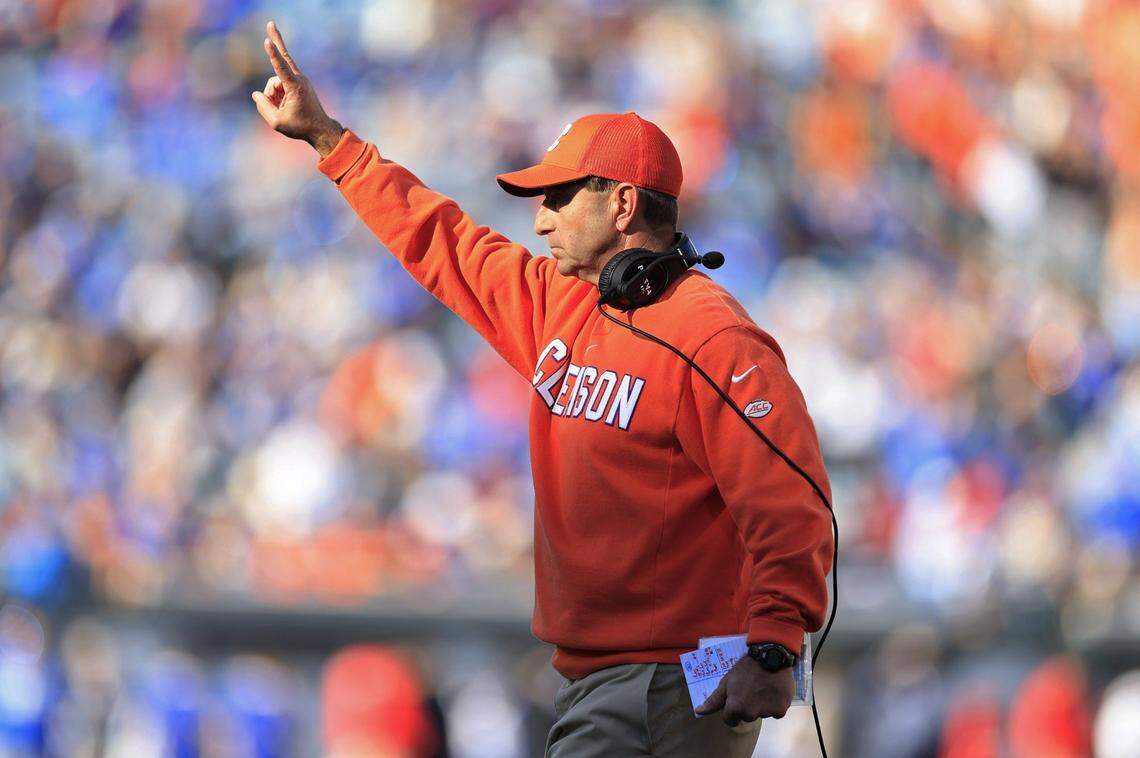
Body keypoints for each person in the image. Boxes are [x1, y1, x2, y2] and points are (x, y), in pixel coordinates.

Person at [252, 21, 834, 757]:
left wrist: (777, 643)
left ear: (623, 206)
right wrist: (328, 141)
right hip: (603, 676)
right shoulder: (560, 306)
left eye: (560, 196)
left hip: (677, 676)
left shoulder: (710, 336)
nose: (540, 217)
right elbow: (442, 240)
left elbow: (788, 500)